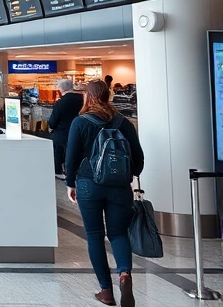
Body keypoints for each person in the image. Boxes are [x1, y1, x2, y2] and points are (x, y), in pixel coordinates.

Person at [66, 80, 144, 307]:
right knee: (118, 233)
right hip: (119, 186)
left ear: (87, 97)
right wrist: (126, 174)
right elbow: (138, 160)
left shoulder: (80, 122)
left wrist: (71, 184)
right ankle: (124, 274)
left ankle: (106, 291)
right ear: (108, 95)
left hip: (89, 184)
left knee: (94, 235)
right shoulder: (124, 123)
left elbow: (70, 159)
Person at [49, 79, 83, 179]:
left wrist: (52, 126)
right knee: (74, 152)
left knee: (58, 151)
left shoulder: (60, 103)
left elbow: (52, 122)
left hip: (61, 133)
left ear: (61, 89)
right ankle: (74, 171)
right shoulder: (81, 100)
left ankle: (58, 171)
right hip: (77, 131)